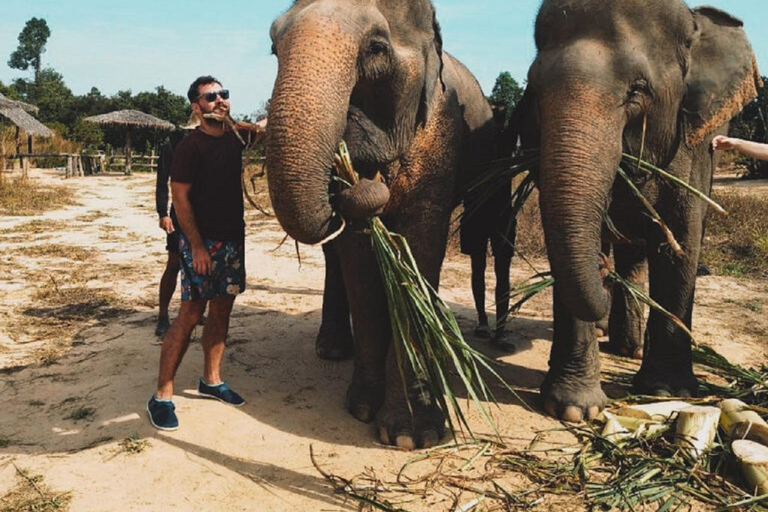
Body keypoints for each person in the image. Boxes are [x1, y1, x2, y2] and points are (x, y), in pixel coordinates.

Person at [147, 76, 264, 431]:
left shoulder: (236, 136)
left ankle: (211, 381)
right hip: (201, 242)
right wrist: (196, 246)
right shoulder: (189, 147)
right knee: (191, 314)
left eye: (223, 94)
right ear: (196, 107)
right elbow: (179, 198)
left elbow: (266, 128)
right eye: (210, 97)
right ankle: (162, 396)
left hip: (232, 240)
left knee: (222, 310)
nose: (219, 101)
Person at [460, 102, 517, 351]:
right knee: (488, 269)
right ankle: (489, 324)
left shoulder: (497, 142)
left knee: (488, 269)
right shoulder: (479, 142)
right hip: (482, 213)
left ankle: (494, 325)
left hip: (495, 214)